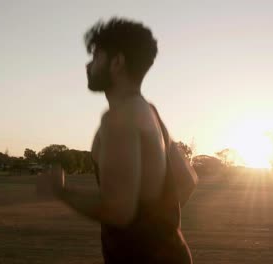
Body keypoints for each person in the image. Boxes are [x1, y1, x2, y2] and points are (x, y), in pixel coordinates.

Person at [41, 17, 197, 263]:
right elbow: (187, 181)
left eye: (96, 57)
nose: (88, 65)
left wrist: (61, 192)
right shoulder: (150, 112)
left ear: (117, 62)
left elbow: (118, 210)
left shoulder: (118, 117)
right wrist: (156, 230)